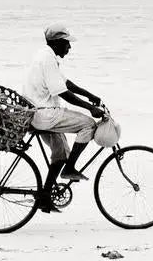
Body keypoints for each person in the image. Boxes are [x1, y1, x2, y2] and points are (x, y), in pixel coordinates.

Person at [22, 23, 105, 212]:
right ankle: (70, 169)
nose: (69, 47)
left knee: (60, 154)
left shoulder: (45, 55)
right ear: (58, 42)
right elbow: (62, 92)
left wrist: (89, 95)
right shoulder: (48, 59)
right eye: (67, 43)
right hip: (45, 114)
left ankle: (44, 198)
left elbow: (65, 82)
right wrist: (90, 108)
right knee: (89, 125)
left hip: (37, 113)